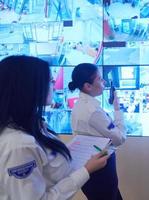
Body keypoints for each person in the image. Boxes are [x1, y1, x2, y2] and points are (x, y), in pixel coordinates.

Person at [0, 55, 109, 200]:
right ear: (28, 87)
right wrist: (86, 170)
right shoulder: (18, 145)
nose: (54, 84)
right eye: (50, 80)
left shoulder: (35, 125)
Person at [68, 63, 126, 200]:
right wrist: (117, 110)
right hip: (100, 168)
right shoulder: (93, 111)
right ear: (87, 86)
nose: (104, 81)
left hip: (90, 165)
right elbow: (119, 139)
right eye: (100, 79)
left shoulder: (81, 105)